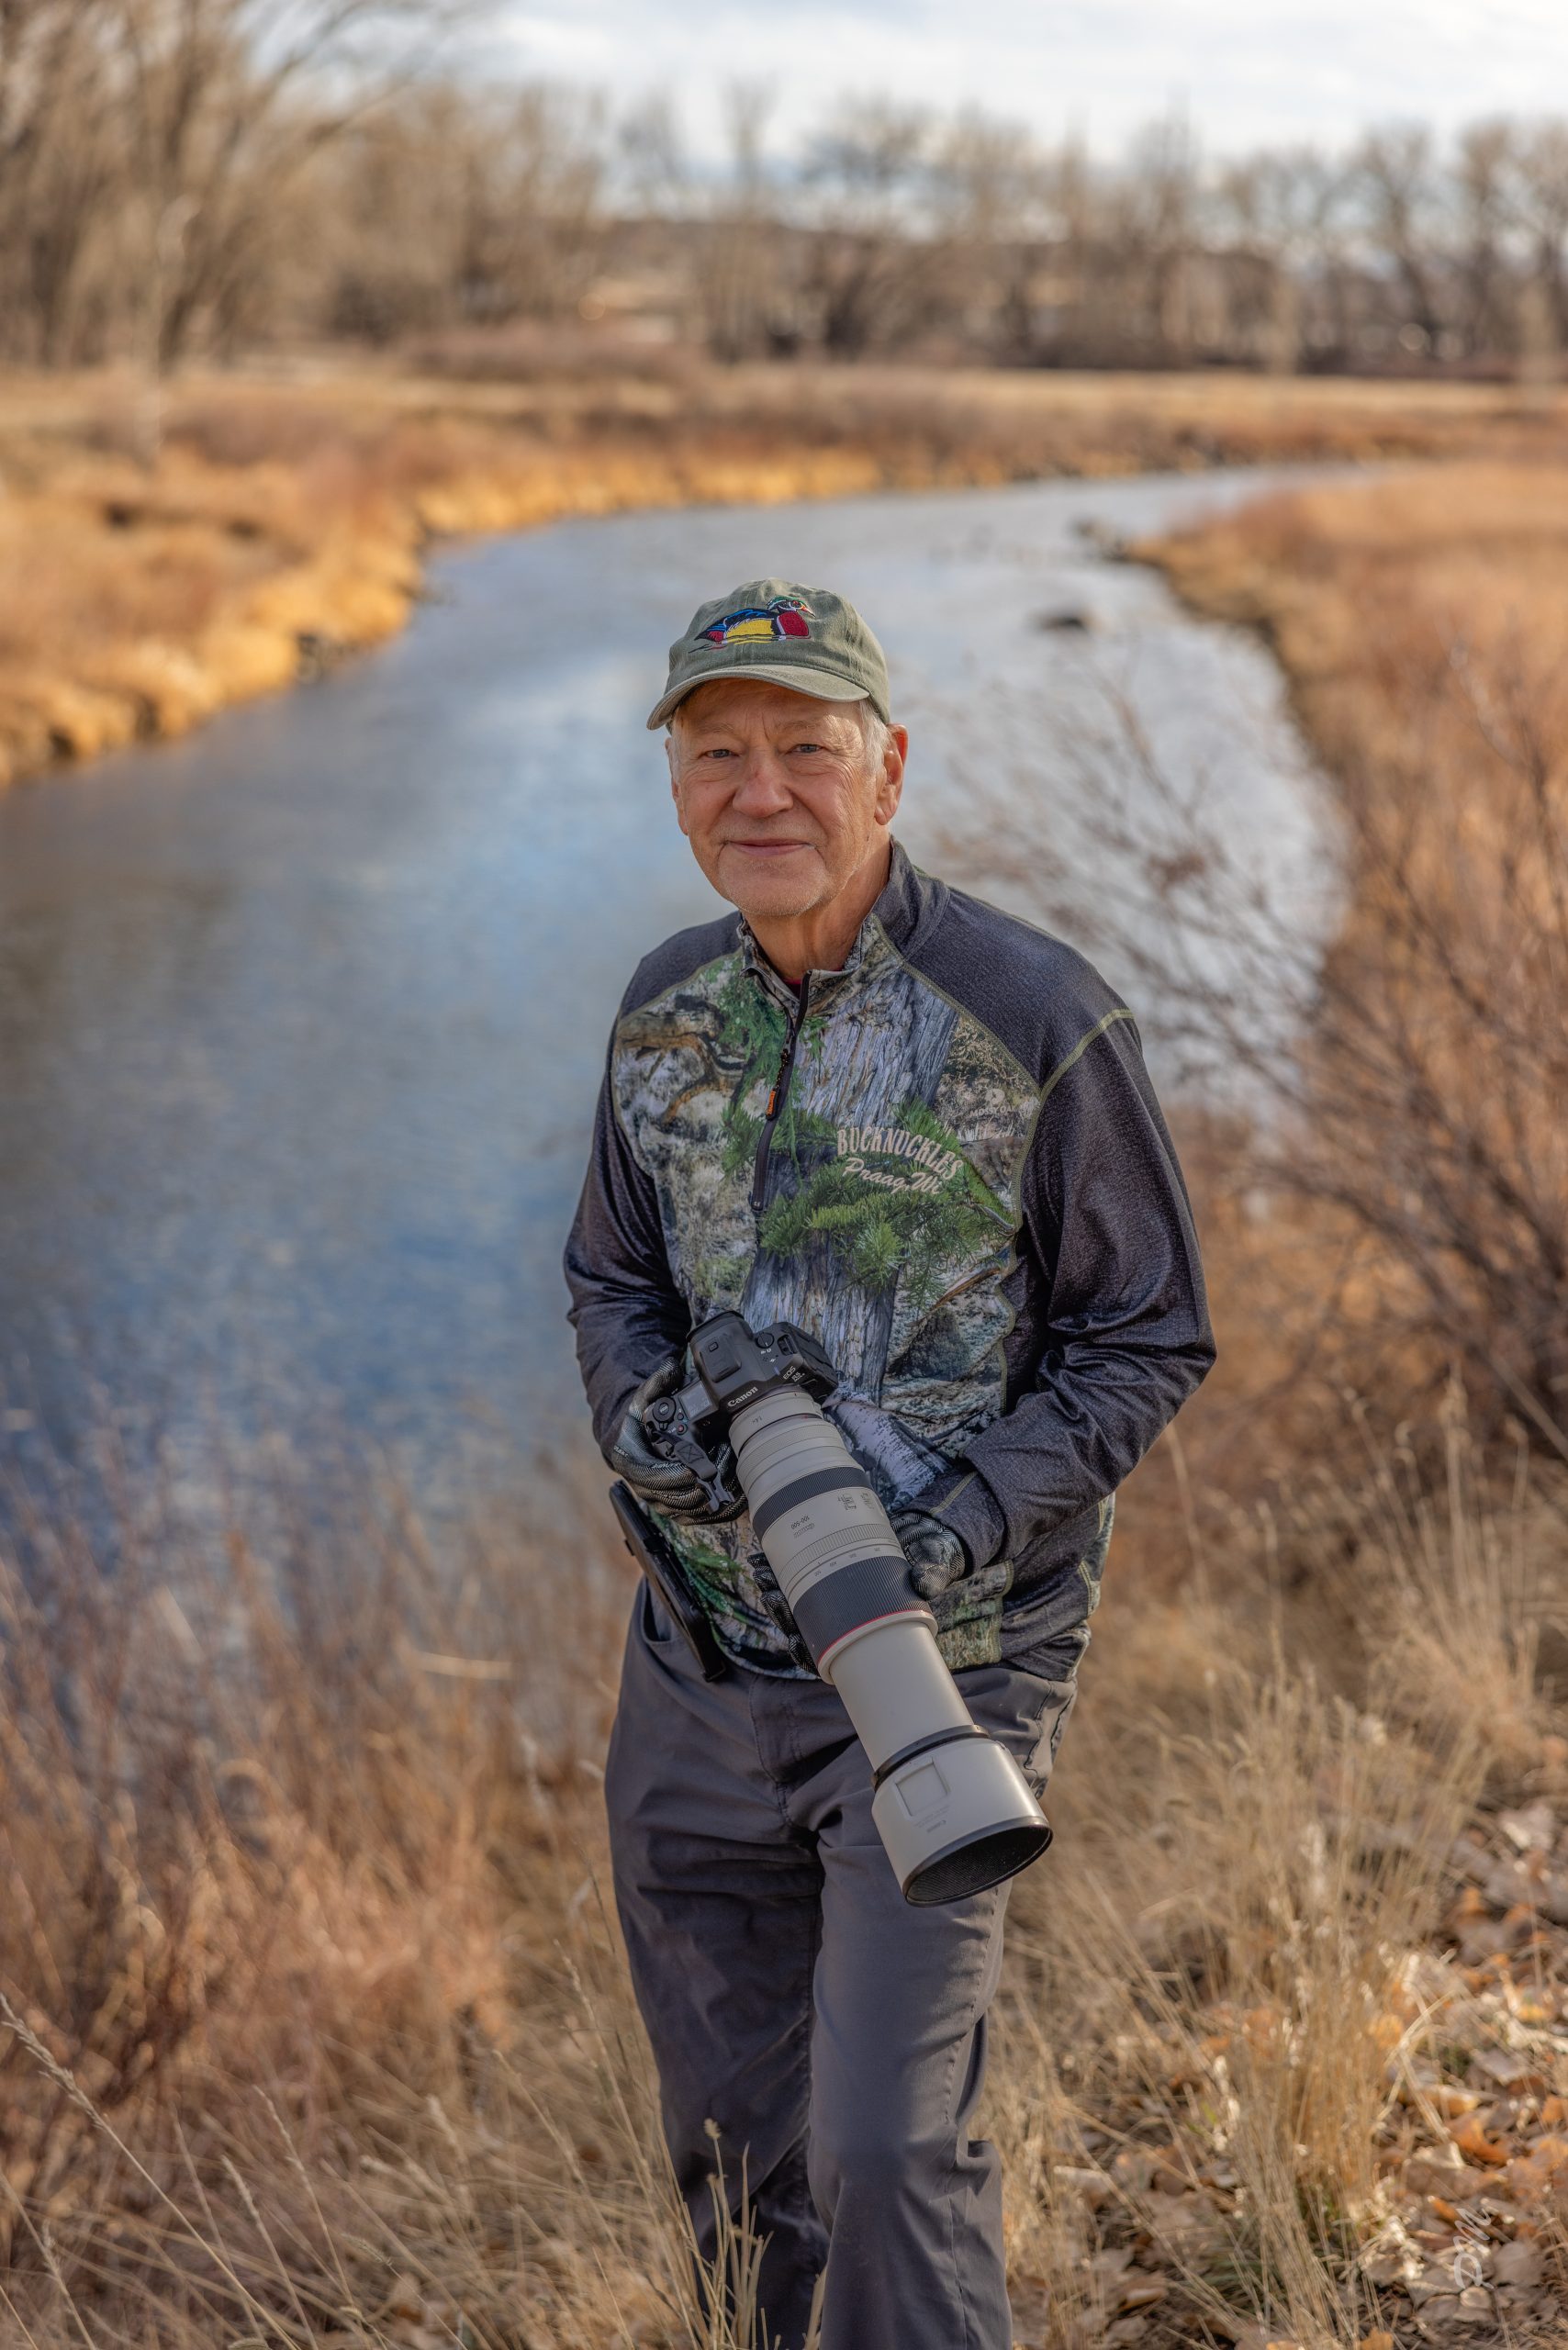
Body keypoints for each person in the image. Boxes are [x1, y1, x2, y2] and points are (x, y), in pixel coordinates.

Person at [564, 577, 1214, 2350]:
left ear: (891, 767)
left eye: (806, 748)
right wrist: (650, 1421)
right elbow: (614, 1276)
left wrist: (952, 1527)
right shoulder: (662, 1011)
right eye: (719, 755)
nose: (760, 792)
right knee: (735, 2156)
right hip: (696, 1675)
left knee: (885, 2154)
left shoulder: (1035, 1014)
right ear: (677, 784)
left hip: (946, 1674)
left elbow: (1149, 1334)